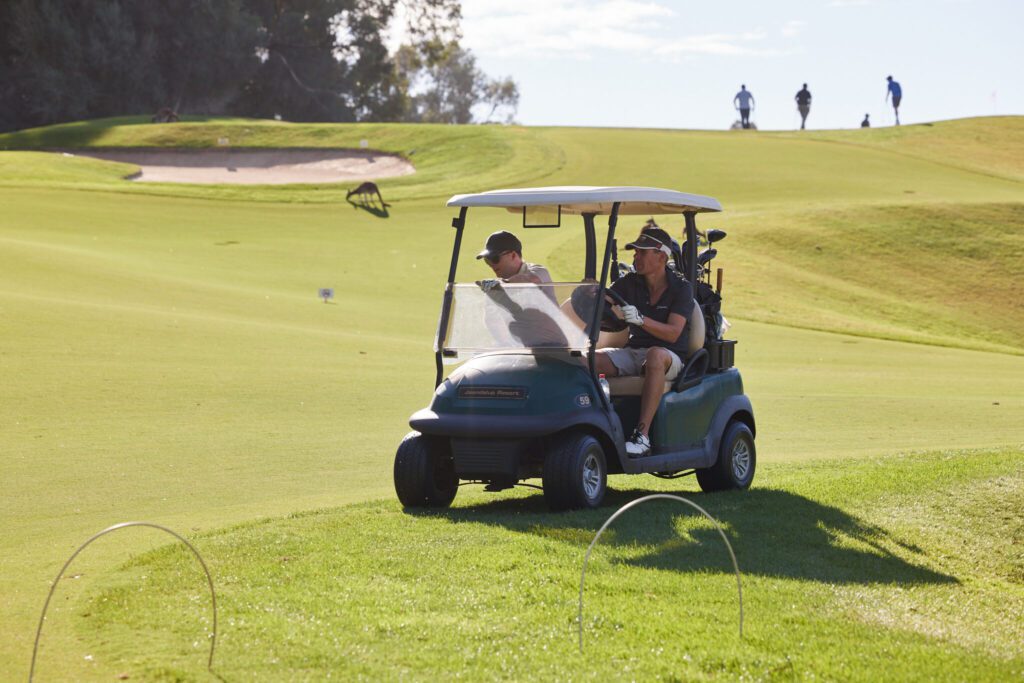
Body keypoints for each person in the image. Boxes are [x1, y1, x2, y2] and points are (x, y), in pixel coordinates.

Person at [596, 227, 693, 457]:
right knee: (586, 360)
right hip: (635, 351)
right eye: (635, 252)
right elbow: (604, 299)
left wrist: (641, 320)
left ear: (661, 256)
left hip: (669, 356)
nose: (635, 256)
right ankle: (590, 425)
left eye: (642, 252)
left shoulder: (681, 288)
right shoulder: (630, 282)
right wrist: (592, 295)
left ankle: (642, 436)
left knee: (654, 356)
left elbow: (673, 334)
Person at [476, 230, 552, 285]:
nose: (491, 265)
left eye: (495, 259)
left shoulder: (539, 271)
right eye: (487, 260)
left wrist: (500, 284)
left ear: (513, 255)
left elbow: (533, 280)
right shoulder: (498, 289)